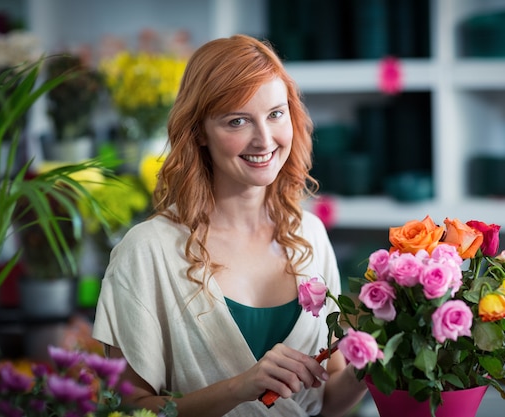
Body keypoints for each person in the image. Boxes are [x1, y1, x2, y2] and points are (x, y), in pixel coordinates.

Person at [92, 34, 367, 417]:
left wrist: (374, 357)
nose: (265, 139)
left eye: (275, 113)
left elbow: (325, 400)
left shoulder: (310, 235)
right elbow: (128, 408)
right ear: (199, 132)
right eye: (237, 121)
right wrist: (239, 388)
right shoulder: (146, 251)